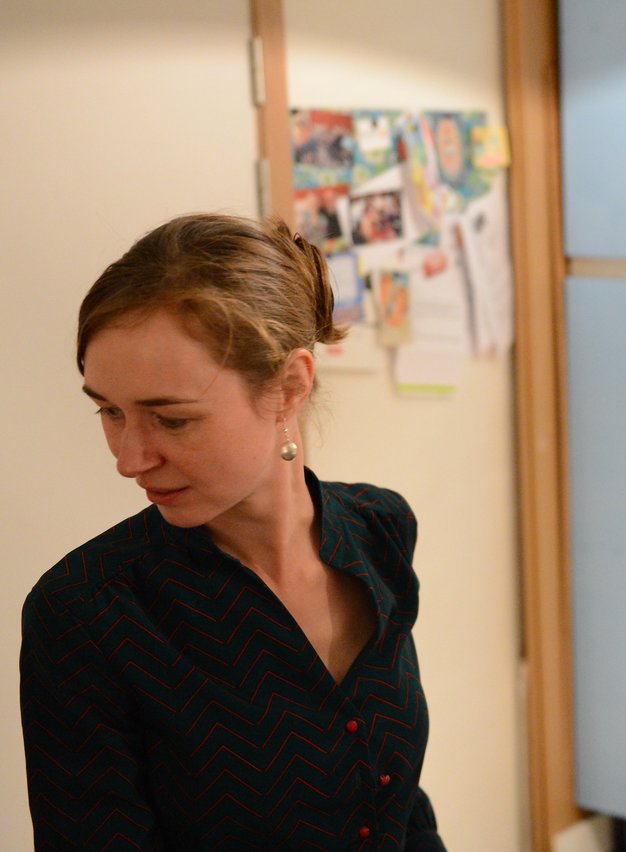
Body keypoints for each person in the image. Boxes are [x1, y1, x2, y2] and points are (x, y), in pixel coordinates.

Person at [20, 214, 447, 850]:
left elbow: (400, 804)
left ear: (289, 386)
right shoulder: (90, 611)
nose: (129, 459)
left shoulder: (380, 530)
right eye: (110, 411)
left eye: (171, 419)